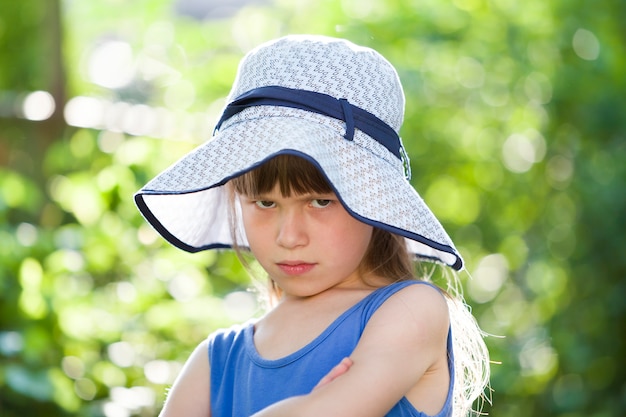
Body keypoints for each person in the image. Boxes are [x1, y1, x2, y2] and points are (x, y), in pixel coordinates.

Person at [134, 34, 490, 417]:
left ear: (374, 201)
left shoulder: (409, 311)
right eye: (265, 202)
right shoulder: (215, 362)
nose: (289, 237)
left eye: (320, 201)